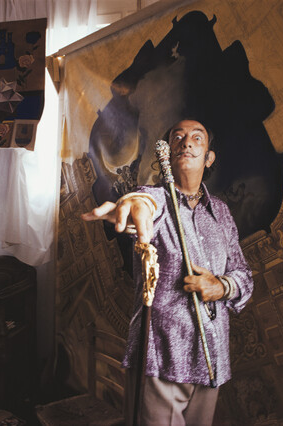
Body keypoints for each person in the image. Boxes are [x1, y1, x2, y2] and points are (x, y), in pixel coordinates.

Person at [82, 119, 254, 425]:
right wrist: (134, 206)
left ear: (209, 157)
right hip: (160, 357)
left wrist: (222, 286)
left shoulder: (221, 212)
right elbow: (143, 206)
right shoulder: (156, 198)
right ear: (168, 154)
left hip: (211, 359)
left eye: (197, 138)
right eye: (178, 137)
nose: (186, 142)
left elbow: (243, 275)